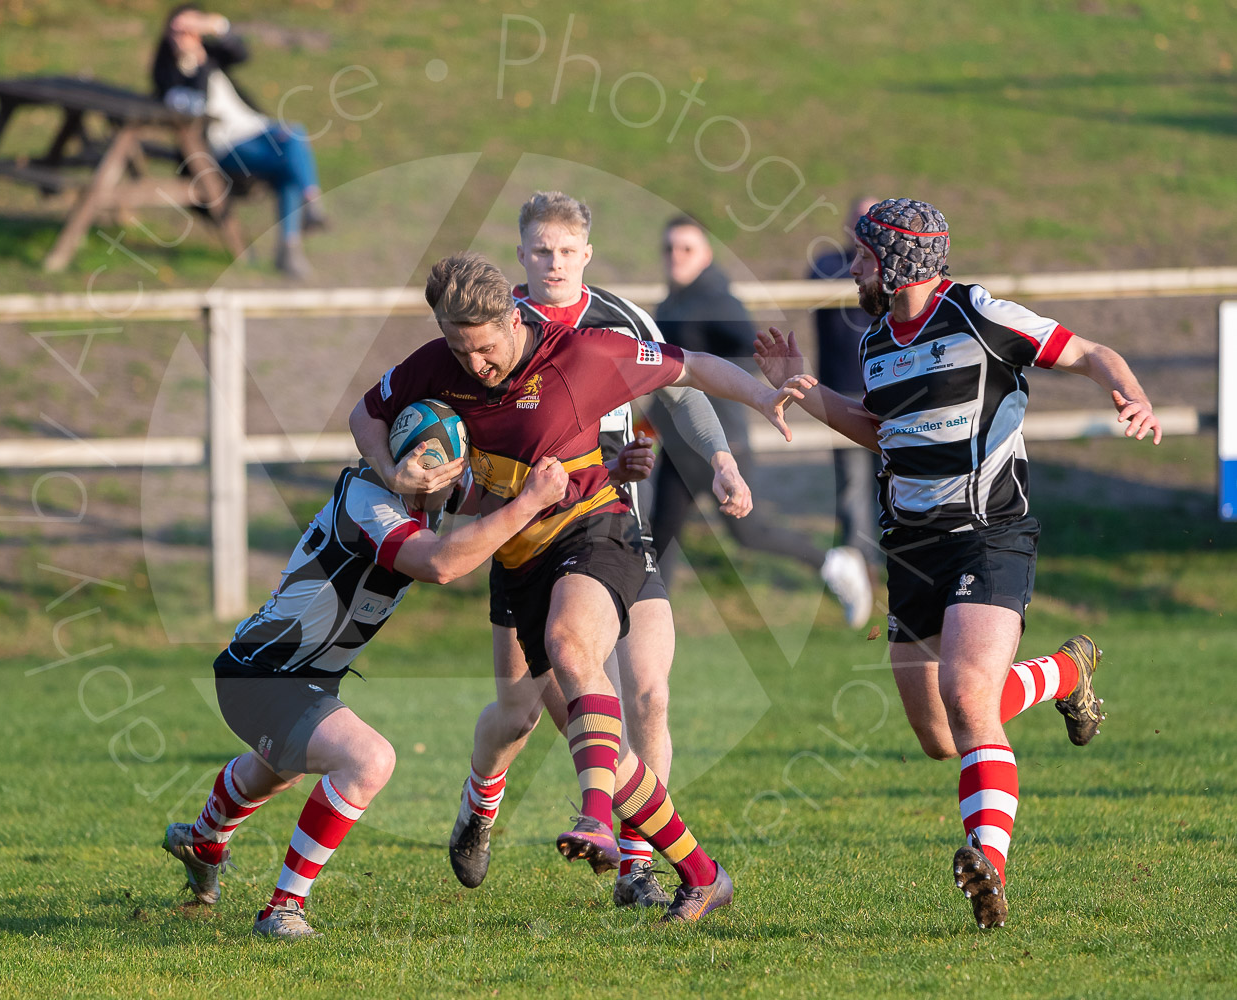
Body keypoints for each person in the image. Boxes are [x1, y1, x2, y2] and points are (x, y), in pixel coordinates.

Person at [349, 251, 811, 921]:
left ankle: (596, 821)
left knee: (573, 648)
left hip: (597, 529)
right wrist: (394, 472)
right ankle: (704, 875)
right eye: (459, 349)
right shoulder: (439, 363)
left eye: (484, 349)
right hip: (519, 558)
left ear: (514, 321)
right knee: (587, 735)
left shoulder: (584, 355)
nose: (474, 365)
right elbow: (366, 413)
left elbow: (690, 366)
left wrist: (764, 397)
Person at [754, 197, 1159, 929]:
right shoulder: (877, 342)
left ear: (899, 263)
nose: (853, 269)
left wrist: (1129, 393)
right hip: (911, 548)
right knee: (941, 736)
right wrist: (805, 386)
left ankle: (988, 866)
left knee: (969, 695)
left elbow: (1088, 351)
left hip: (988, 532)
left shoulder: (980, 313)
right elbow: (881, 431)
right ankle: (1064, 672)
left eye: (864, 256)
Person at [446, 192, 751, 909]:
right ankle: (480, 804)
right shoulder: (494, 332)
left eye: (566, 251)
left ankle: (636, 866)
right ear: (521, 254)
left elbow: (681, 389)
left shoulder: (621, 321)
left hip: (613, 531)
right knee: (519, 715)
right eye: (541, 251)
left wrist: (722, 460)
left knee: (648, 695)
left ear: (587, 253)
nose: (554, 263)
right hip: (526, 546)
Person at [160, 417, 571, 938]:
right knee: (368, 760)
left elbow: (491, 493)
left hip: (303, 677)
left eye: (445, 470)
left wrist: (601, 476)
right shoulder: (367, 499)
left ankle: (202, 841)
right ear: (399, 459)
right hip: (261, 674)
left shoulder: (434, 490)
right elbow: (440, 564)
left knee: (281, 769)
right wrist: (529, 503)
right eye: (425, 466)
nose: (439, 480)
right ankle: (282, 909)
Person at [651, 215, 873, 628]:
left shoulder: (716, 299)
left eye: (686, 249)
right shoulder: (673, 301)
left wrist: (725, 380)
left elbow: (748, 349)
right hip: (680, 442)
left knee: (748, 533)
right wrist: (651, 421)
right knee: (661, 536)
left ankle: (835, 563)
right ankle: (644, 627)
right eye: (669, 248)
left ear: (706, 254)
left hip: (720, 441)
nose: (676, 256)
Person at [151, 5, 326, 277]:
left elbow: (241, 54)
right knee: (287, 168)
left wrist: (216, 27)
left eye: (191, 30)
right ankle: (295, 238)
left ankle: (310, 206)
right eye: (179, 31)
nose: (185, 36)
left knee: (294, 133)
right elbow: (195, 105)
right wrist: (196, 62)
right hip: (224, 144)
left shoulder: (210, 55)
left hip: (254, 126)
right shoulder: (170, 73)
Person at [809, 197, 885, 568]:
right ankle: (860, 562)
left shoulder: (896, 269)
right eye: (860, 219)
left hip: (892, 387)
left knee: (898, 475)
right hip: (844, 389)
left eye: (874, 219)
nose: (866, 226)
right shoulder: (828, 265)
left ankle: (901, 555)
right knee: (853, 483)